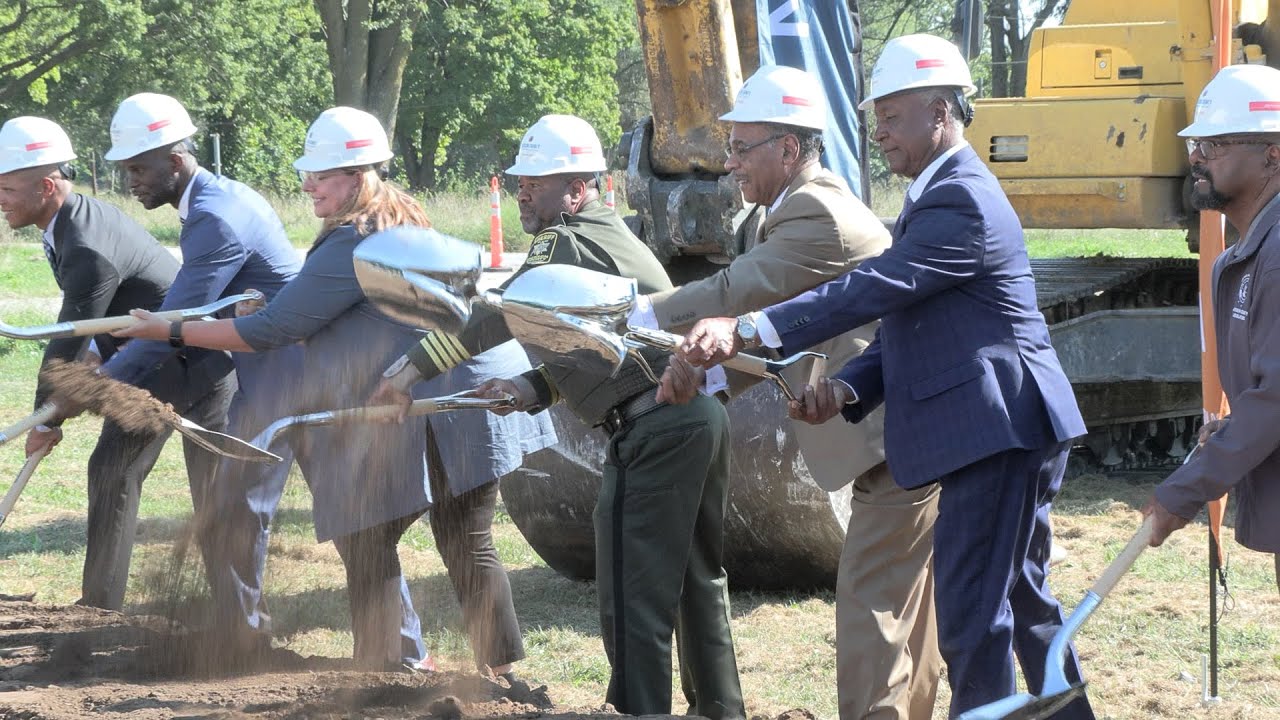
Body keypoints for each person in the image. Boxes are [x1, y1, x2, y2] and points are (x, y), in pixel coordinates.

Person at [676, 34, 1094, 719]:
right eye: (876, 119)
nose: (880, 135)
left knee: (974, 621)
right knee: (1020, 605)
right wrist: (848, 386)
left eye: (892, 118)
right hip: (1002, 425)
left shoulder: (960, 198)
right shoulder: (941, 195)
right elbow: (913, 317)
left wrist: (750, 328)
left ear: (940, 113)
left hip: (996, 429)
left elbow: (873, 288)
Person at [117, 106, 556, 673]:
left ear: (356, 177)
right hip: (472, 382)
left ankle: (395, 670)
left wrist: (168, 326)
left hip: (450, 392)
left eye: (320, 177)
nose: (308, 186)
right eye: (308, 176)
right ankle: (488, 678)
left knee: (369, 531)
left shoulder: (355, 239)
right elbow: (323, 312)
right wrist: (265, 308)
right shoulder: (397, 219)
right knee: (458, 540)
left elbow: (274, 331)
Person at [371, 114, 745, 719]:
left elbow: (502, 313)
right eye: (520, 182)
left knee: (631, 591)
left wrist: (406, 372)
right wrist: (531, 386)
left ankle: (638, 713)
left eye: (537, 183)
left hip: (653, 426)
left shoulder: (563, 239)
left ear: (577, 190)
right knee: (696, 580)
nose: (523, 191)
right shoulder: (605, 236)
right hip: (695, 417)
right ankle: (721, 711)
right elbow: (603, 342)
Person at [644, 65, 941, 720]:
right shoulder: (780, 213)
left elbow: (736, 295)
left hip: (896, 441)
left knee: (872, 612)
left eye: (741, 148)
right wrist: (710, 377)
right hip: (895, 437)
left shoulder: (816, 213)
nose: (729, 164)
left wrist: (640, 315)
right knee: (909, 615)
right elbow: (777, 336)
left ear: (787, 147)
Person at [0, 116, 235, 611]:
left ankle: (100, 613)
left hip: (181, 364)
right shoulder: (71, 221)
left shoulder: (85, 246)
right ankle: (232, 619)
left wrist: (47, 416)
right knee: (197, 490)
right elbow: (96, 325)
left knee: (122, 471)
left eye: (7, 188)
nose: (0, 199)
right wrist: (58, 401)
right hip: (162, 361)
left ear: (46, 186)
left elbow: (64, 338)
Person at [98, 92, 302, 646]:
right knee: (230, 503)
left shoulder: (215, 217)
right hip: (265, 369)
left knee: (235, 505)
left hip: (288, 374)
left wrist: (101, 381)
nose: (131, 181)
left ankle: (246, 639)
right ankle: (238, 629)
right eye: (125, 169)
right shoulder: (212, 201)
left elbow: (174, 322)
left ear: (175, 157)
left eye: (139, 167)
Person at [1146, 64, 1280, 592]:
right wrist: (1230, 433)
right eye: (1196, 143)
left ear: (1273, 154)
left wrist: (1185, 489)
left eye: (1217, 143)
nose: (1197, 157)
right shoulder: (1244, 255)